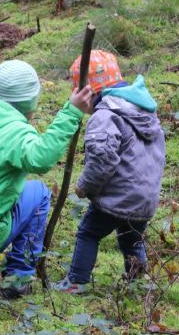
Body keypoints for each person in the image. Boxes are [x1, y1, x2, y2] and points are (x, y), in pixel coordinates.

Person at [0, 59, 94, 299]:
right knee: (40, 194)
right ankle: (18, 278)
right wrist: (72, 112)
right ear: (30, 101)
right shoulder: (14, 132)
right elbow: (41, 159)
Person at [54, 50, 166, 294]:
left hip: (118, 195)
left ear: (88, 92)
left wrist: (85, 186)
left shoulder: (105, 116)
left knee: (88, 232)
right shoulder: (144, 110)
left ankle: (76, 281)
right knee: (131, 239)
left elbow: (102, 160)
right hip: (146, 195)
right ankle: (138, 284)